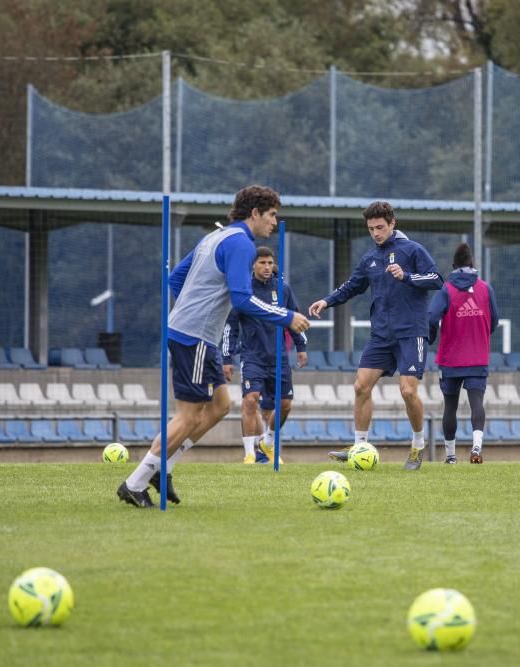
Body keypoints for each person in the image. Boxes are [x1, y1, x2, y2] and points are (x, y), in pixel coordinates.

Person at [116, 185, 309, 508]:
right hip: (194, 336)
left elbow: (176, 279)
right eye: (273, 215)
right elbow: (242, 300)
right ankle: (135, 482)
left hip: (196, 333)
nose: (275, 223)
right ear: (255, 213)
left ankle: (162, 469)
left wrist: (196, 308)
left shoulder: (214, 237)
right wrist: (287, 317)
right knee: (189, 416)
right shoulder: (241, 245)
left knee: (220, 406)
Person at [309, 201, 442, 470]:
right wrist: (327, 301)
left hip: (411, 332)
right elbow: (351, 286)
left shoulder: (412, 250)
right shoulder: (370, 258)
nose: (376, 233)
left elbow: (437, 279)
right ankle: (359, 446)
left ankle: (417, 447)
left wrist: (406, 276)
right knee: (360, 386)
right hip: (381, 334)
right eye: (371, 229)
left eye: (380, 227)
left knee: (407, 391)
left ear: (392, 224)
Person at [222, 246, 308, 465]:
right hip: (252, 357)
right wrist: (227, 358)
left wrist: (301, 347)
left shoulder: (283, 289)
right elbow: (230, 327)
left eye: (270, 263)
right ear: (253, 264)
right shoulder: (243, 291)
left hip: (279, 358)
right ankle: (249, 454)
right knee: (250, 401)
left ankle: (267, 444)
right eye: (262, 263)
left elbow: (295, 318)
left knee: (284, 405)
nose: (267, 267)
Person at [427, 243, 499, 464]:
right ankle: (476, 447)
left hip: (451, 359)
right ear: (472, 265)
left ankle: (450, 456)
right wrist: (481, 334)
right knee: (477, 403)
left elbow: (430, 317)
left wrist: (432, 336)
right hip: (477, 357)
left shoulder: (446, 289)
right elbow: (494, 321)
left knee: (450, 406)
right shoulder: (486, 289)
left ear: (453, 266)